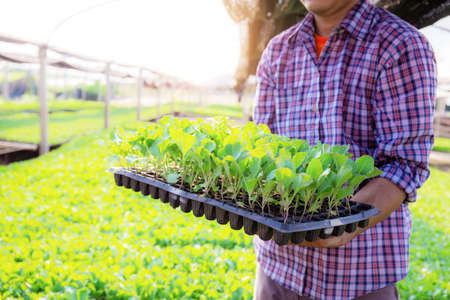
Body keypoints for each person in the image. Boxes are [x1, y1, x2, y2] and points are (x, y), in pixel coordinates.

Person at [252, 0, 437, 299]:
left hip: (357, 276)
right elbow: (263, 148)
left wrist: (342, 224)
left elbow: (406, 163)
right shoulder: (278, 50)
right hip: (277, 268)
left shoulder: (399, 45)